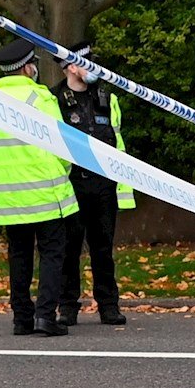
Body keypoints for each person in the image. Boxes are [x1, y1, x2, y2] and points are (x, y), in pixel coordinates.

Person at [0, 39, 80, 337]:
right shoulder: (42, 99)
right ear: (27, 68)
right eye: (34, 64)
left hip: (8, 198)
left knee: (19, 255)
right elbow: (62, 148)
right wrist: (62, 175)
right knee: (52, 254)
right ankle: (45, 317)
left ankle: (21, 319)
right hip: (45, 193)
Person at [55, 53, 136, 327]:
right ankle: (67, 307)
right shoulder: (54, 100)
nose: (92, 70)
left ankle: (109, 306)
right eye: (86, 64)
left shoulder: (106, 99)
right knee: (69, 249)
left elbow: (116, 139)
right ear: (69, 67)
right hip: (72, 184)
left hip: (103, 185)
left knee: (103, 248)